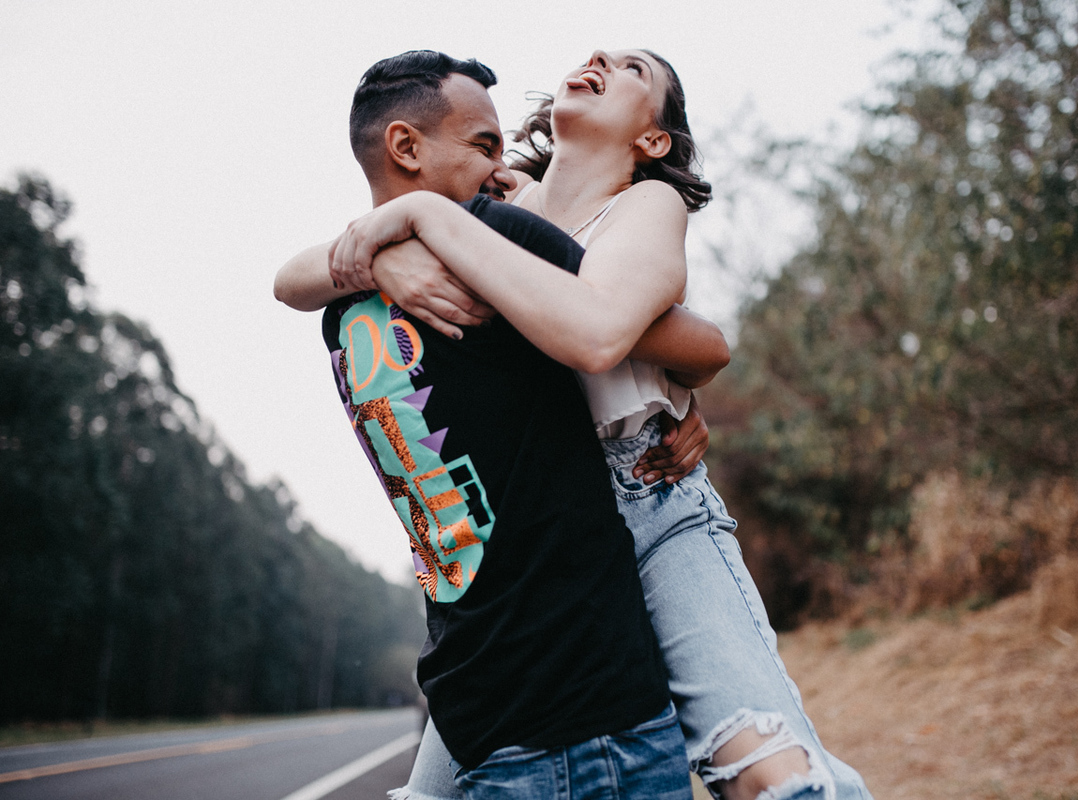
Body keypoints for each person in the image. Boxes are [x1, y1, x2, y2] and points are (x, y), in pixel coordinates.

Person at [281, 49, 873, 800]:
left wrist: (415, 222)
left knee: (763, 764)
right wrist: (381, 257)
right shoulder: (493, 209)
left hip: (650, 498)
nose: (599, 59)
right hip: (543, 536)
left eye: (631, 69)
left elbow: (680, 343)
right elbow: (294, 278)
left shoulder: (642, 204)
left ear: (652, 138)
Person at [284, 50, 697, 799]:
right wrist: (690, 397)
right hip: (588, 715)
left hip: (476, 705)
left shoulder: (340, 313)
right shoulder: (501, 238)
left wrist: (387, 246)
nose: (500, 169)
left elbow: (291, 280)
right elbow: (666, 339)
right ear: (406, 147)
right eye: (483, 146)